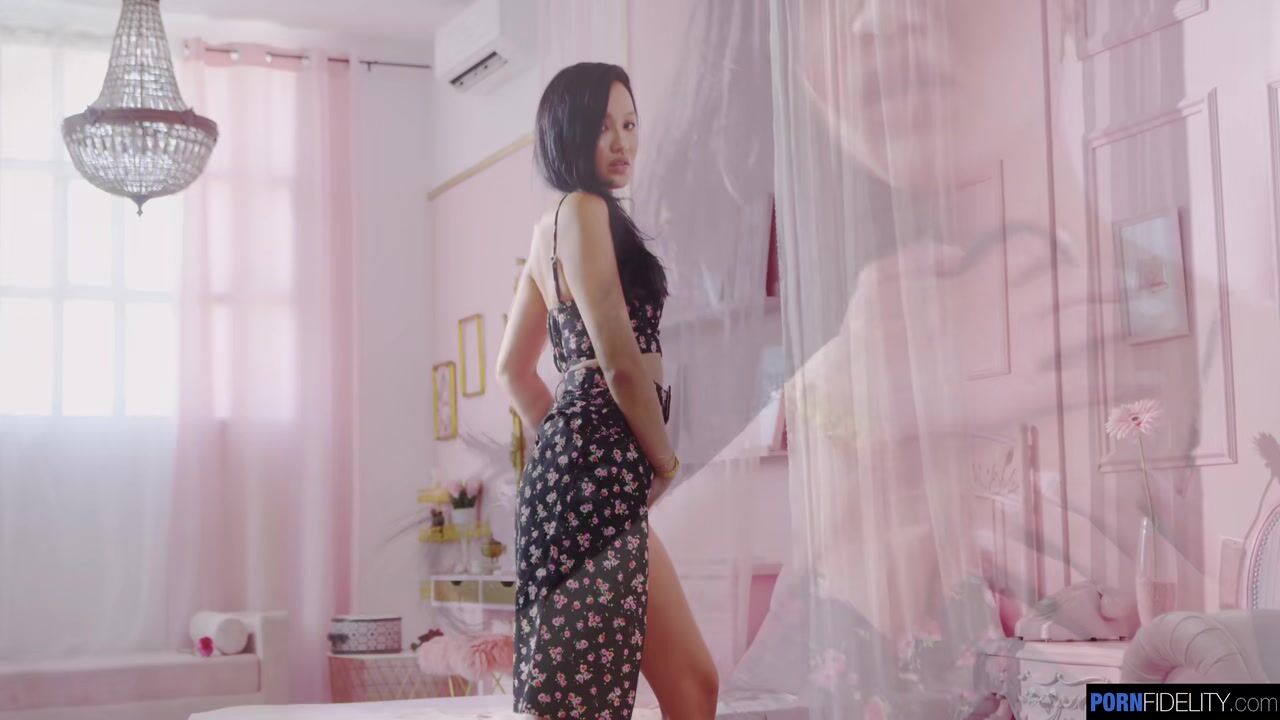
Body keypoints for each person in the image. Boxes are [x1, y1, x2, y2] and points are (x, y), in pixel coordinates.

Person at [497, 62, 719, 720]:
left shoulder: (550, 227)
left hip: (581, 480)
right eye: (602, 127)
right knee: (675, 687)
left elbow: (512, 371)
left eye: (630, 124)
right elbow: (620, 362)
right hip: (596, 482)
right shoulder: (585, 210)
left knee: (673, 686)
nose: (622, 143)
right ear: (567, 132)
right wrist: (662, 461)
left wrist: (568, 445)